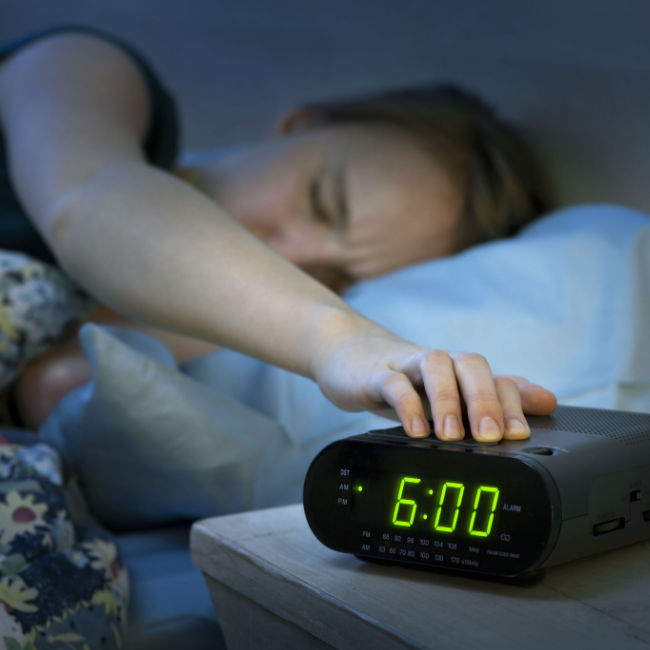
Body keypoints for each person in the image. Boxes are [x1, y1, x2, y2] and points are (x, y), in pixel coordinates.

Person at [0, 26, 556, 440]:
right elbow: (88, 197)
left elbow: (48, 387)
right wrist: (340, 339)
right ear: (301, 124)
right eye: (321, 202)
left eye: (334, 278)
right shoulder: (87, 66)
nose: (288, 253)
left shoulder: (223, 326)